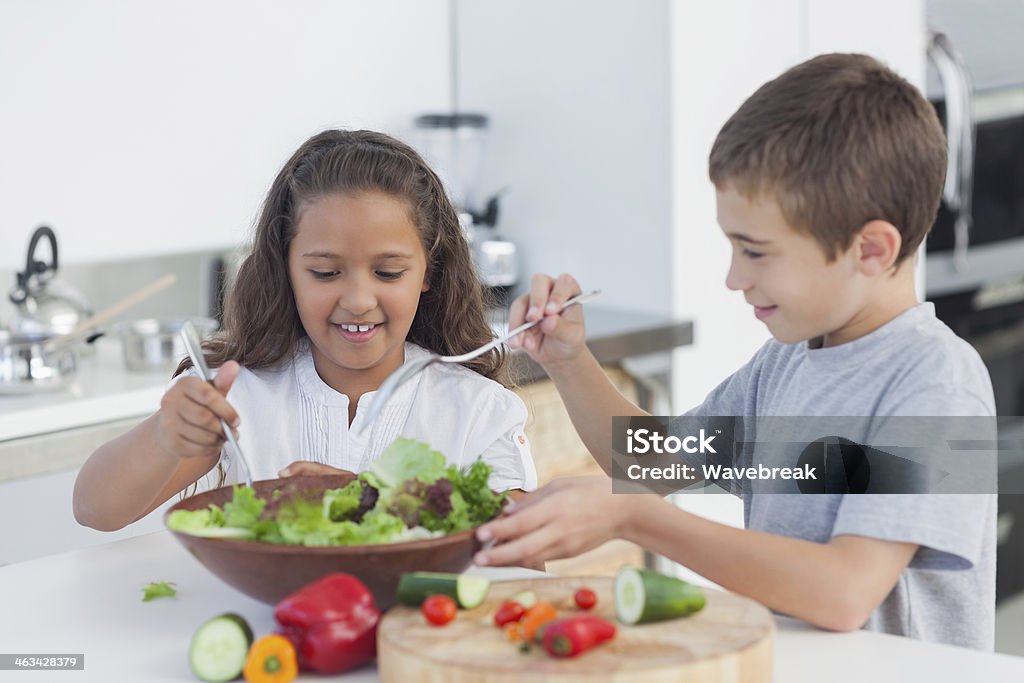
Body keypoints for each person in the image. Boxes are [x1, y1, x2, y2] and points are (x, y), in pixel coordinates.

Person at [473, 53, 997, 650]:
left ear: (871, 250)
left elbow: (844, 592)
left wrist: (635, 518)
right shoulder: (786, 364)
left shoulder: (935, 384)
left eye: (756, 251)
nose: (733, 277)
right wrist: (569, 360)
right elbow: (650, 464)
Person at [73, 129, 537, 532]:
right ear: (285, 269)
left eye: (389, 273)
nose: (358, 299)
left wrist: (375, 502)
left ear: (429, 271)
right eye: (325, 273)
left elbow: (524, 555)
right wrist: (162, 438)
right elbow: (94, 510)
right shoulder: (242, 396)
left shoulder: (475, 409)